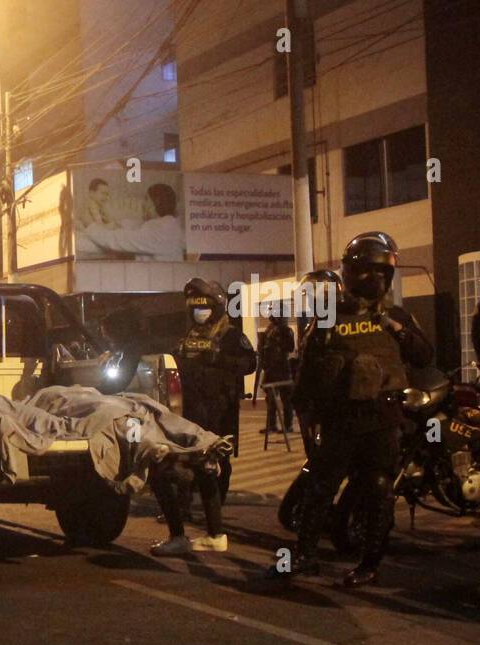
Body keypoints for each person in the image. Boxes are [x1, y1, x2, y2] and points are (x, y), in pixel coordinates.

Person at [268, 234, 433, 588]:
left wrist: (397, 330)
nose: (377, 280)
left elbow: (423, 356)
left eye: (382, 273)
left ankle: (369, 564)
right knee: (321, 485)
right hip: (340, 419)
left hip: (382, 417)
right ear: (353, 272)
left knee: (378, 488)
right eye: (369, 271)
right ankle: (305, 555)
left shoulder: (396, 316)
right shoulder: (329, 318)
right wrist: (306, 415)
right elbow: (309, 372)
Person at [152, 278, 257, 555]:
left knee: (213, 466)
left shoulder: (230, 336)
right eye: (194, 308)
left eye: (204, 307)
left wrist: (219, 359)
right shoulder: (188, 336)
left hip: (219, 412)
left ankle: (211, 522)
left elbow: (250, 363)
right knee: (187, 467)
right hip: (190, 413)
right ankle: (195, 520)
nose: (199, 312)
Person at [259, 313, 296, 433]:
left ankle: (288, 425)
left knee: (286, 399)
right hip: (270, 369)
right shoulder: (269, 329)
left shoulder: (286, 330)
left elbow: (290, 347)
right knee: (270, 400)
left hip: (282, 368)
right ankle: (271, 424)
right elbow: (265, 348)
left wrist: (278, 339)